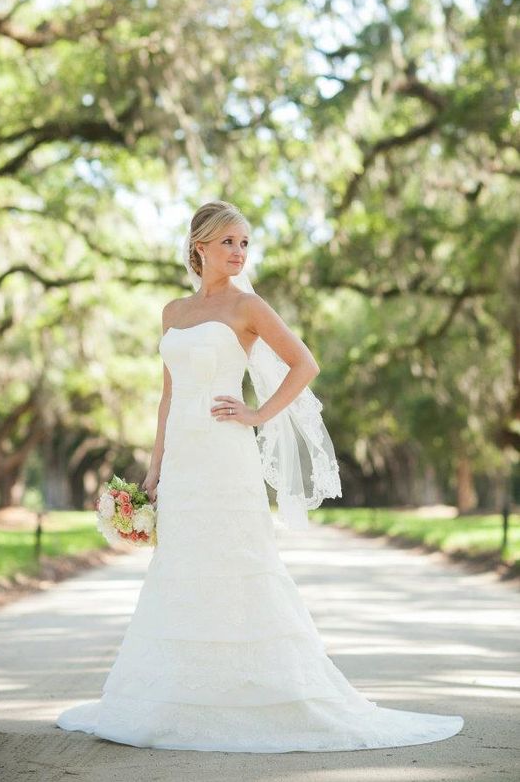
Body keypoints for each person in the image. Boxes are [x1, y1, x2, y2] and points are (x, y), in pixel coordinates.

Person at [56, 200, 464, 751]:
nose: (239, 252)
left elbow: (305, 364)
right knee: (182, 566)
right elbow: (169, 395)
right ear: (199, 246)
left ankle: (262, 690)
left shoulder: (248, 306)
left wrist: (256, 414)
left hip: (227, 454)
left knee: (239, 562)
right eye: (229, 242)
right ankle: (178, 695)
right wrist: (155, 467)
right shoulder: (173, 313)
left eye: (245, 243)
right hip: (183, 459)